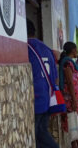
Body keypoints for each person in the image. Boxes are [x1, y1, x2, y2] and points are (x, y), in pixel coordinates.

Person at [27, 20, 59, 148]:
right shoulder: (47, 49)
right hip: (47, 99)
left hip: (35, 99)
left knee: (38, 135)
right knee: (41, 133)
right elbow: (55, 78)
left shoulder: (25, 48)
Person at [58, 42, 78, 148]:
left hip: (75, 97)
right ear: (73, 50)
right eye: (76, 49)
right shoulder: (67, 64)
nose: (77, 51)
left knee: (74, 121)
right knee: (73, 121)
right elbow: (70, 82)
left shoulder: (70, 62)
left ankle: (75, 144)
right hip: (71, 98)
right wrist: (73, 99)